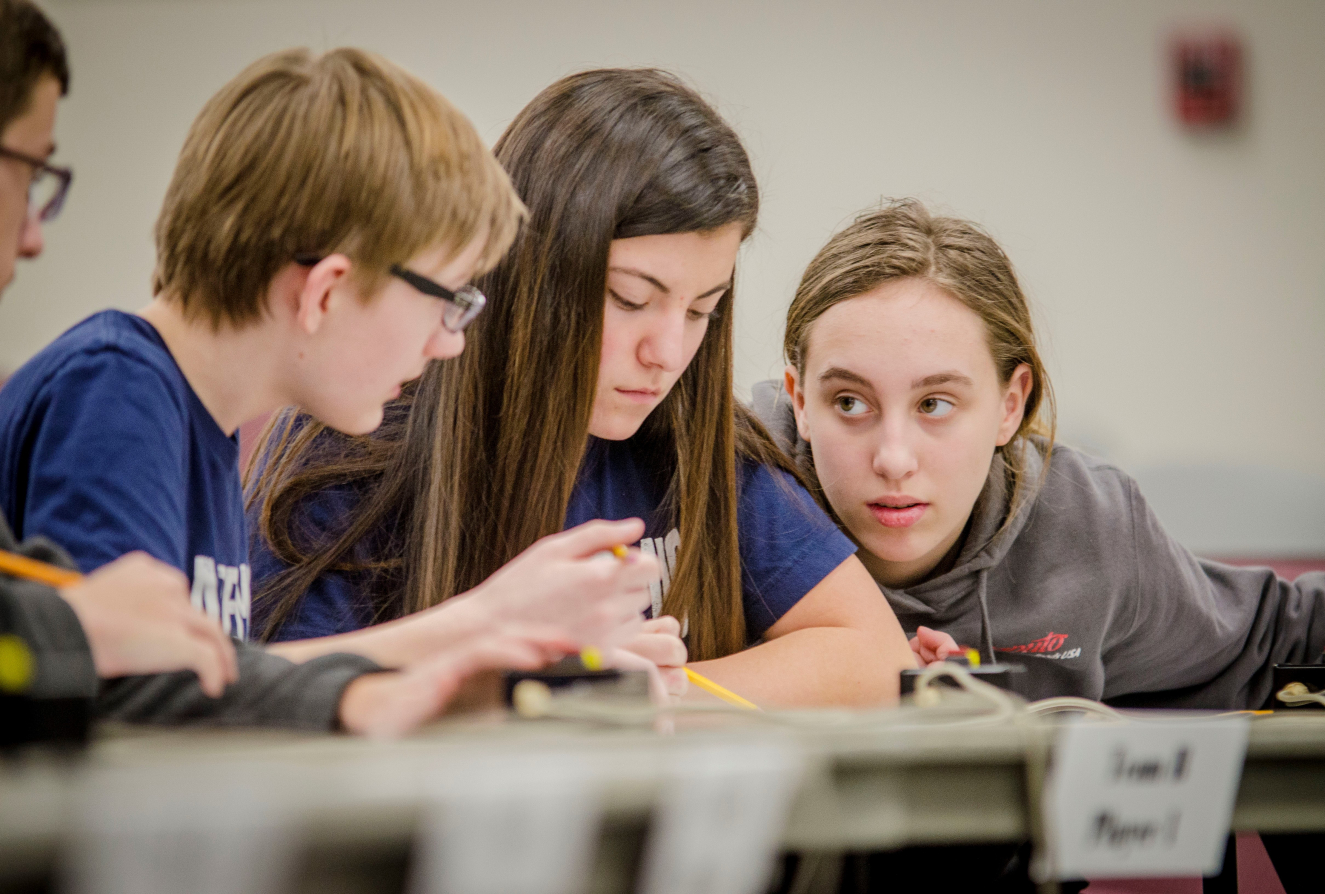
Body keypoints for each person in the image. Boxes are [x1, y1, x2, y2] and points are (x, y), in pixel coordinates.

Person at [0, 13, 646, 737]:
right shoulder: (116, 393)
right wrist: (474, 627)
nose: (450, 345)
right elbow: (129, 698)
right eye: (448, 300)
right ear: (326, 291)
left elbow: (217, 684)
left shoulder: (187, 414)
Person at [249, 69, 936, 708]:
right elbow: (266, 709)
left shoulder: (697, 444)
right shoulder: (358, 430)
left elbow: (872, 653)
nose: (668, 354)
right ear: (529, 275)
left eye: (702, 310)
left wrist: (649, 696)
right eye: (631, 299)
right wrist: (552, 698)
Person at [753, 196, 1325, 894]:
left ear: (1011, 404)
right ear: (798, 397)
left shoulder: (1087, 526)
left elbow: (1272, 636)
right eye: (849, 403)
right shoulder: (723, 504)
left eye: (935, 404)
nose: (893, 458)